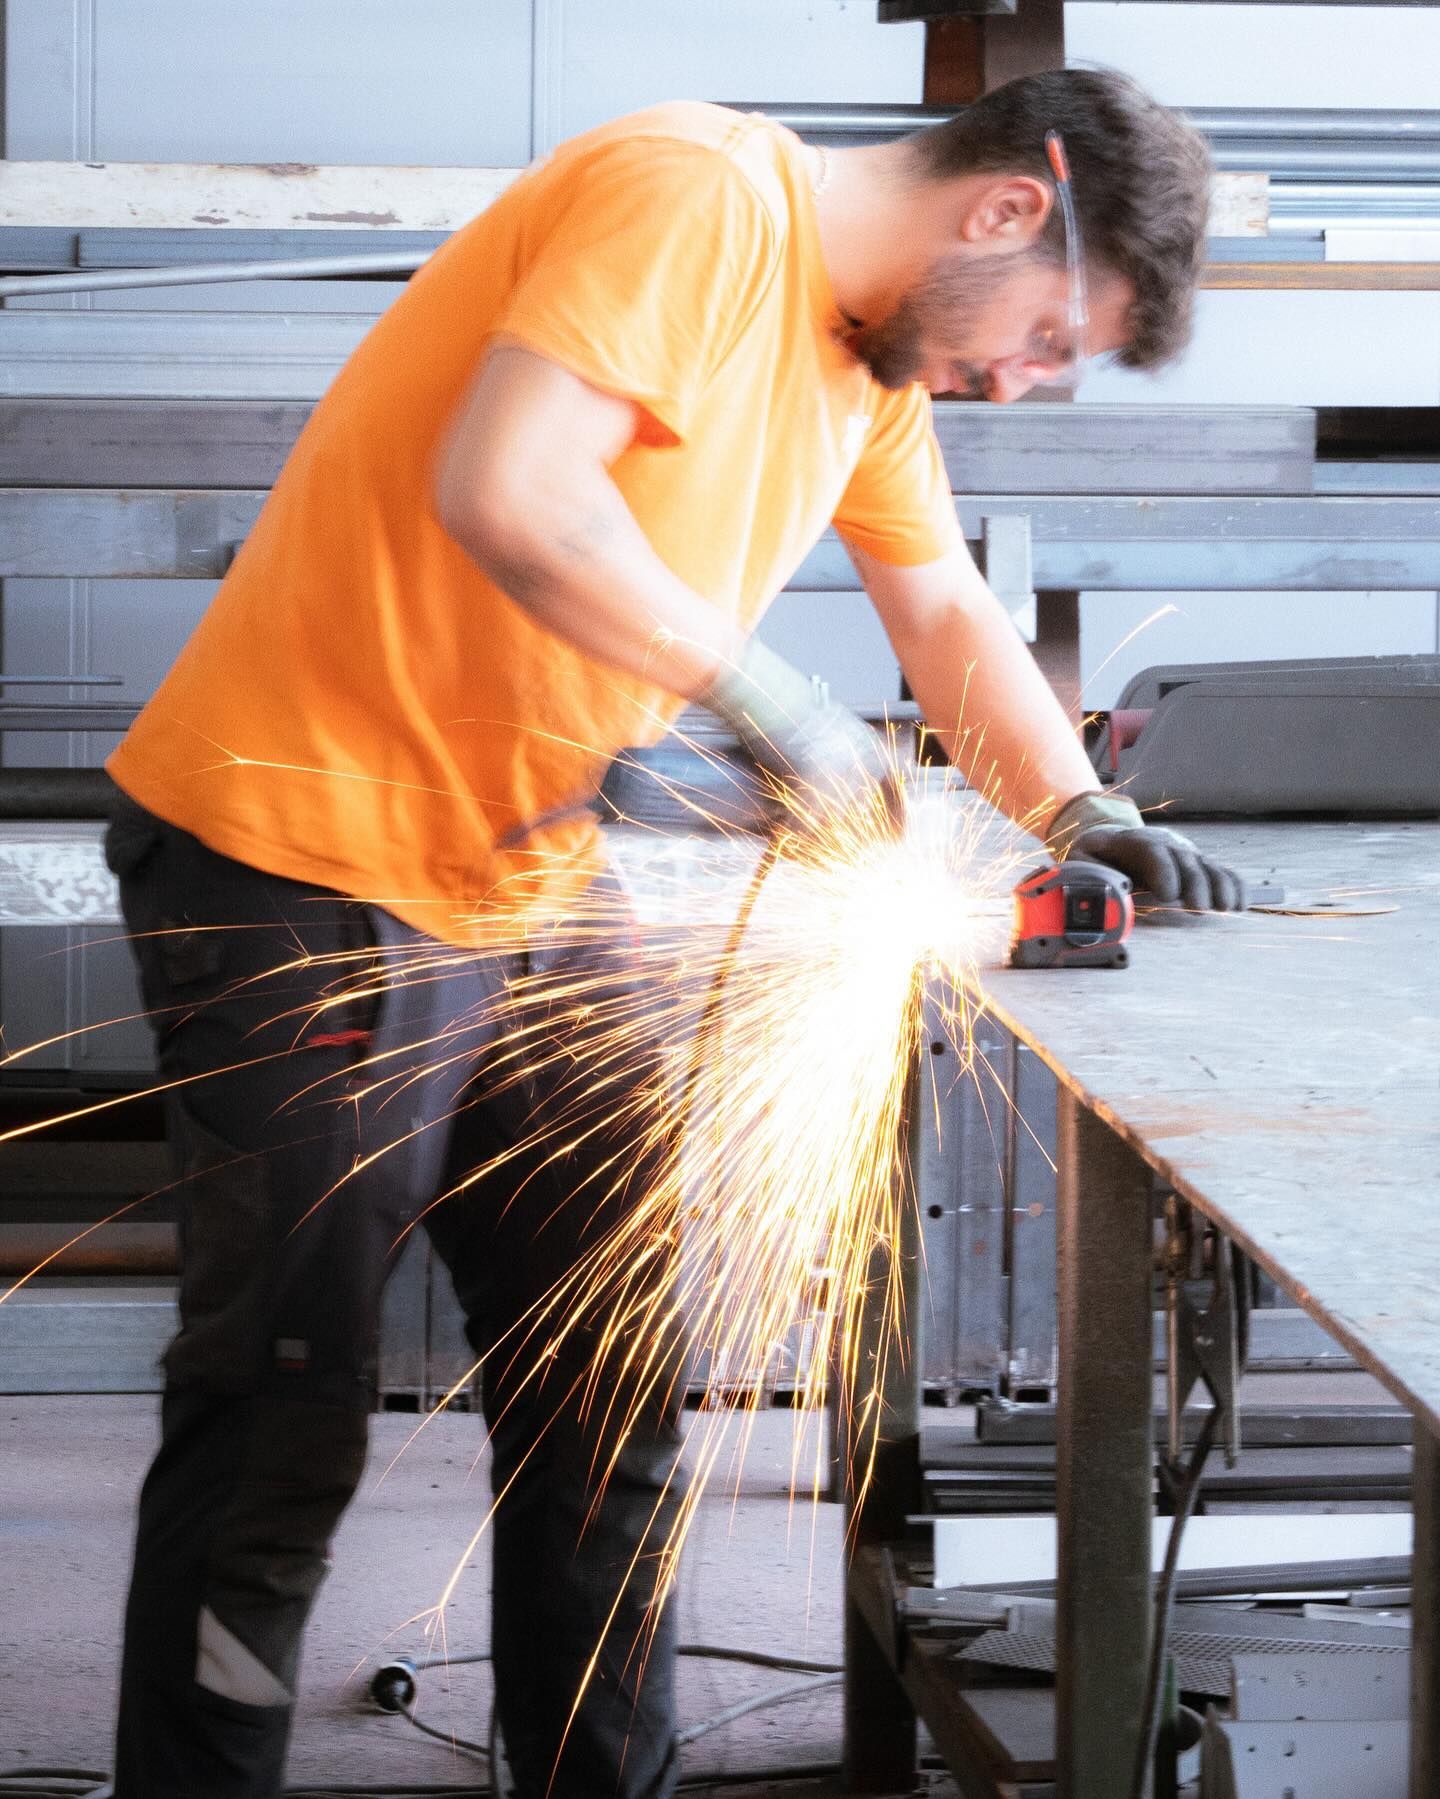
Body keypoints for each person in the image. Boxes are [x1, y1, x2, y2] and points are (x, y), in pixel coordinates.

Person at [103, 65, 1244, 1799]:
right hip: (300, 861)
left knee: (609, 1390)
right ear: (1012, 207)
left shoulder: (868, 369)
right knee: (281, 1411)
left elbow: (937, 604)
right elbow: (513, 487)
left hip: (543, 878)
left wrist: (1081, 810)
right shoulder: (697, 196)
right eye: (1045, 338)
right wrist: (771, 699)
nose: (1018, 379)